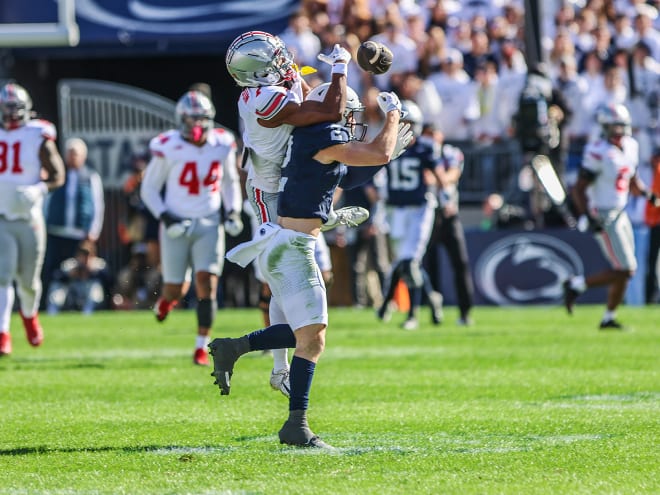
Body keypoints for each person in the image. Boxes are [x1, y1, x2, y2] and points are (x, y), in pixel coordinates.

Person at [209, 84, 412, 449]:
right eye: (349, 115)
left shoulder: (312, 140)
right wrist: (393, 113)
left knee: (307, 334)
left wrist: (382, 160)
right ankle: (295, 424)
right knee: (312, 337)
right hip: (292, 249)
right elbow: (376, 151)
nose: (352, 123)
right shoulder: (322, 138)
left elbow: (349, 175)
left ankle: (237, 350)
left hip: (287, 244)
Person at [225, 31, 368, 395]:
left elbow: (311, 97)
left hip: (287, 179)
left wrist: (311, 77)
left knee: (298, 274)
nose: (283, 61)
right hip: (268, 188)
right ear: (258, 73)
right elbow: (328, 110)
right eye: (274, 59)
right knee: (281, 283)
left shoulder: (277, 81)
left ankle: (278, 368)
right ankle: (278, 370)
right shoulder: (262, 98)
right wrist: (340, 68)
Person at [140, 90, 243, 365]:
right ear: (181, 120)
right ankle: (166, 300)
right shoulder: (167, 145)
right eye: (192, 120)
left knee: (207, 283)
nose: (197, 126)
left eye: (202, 119)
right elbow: (149, 188)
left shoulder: (222, 143)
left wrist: (232, 210)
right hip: (177, 220)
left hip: (209, 220)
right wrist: (165, 216)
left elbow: (230, 181)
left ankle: (201, 345)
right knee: (177, 288)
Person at [563, 103, 660, 329]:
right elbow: (579, 188)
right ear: (605, 127)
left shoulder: (631, 147)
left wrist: (649, 195)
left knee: (625, 270)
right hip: (603, 212)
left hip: (621, 211)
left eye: (621, 126)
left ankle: (607, 316)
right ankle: (577, 285)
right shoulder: (597, 151)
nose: (619, 132)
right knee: (626, 269)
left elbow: (632, 181)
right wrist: (586, 215)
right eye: (614, 127)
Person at [0, 82, 65, 356]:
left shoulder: (38, 134)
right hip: (2, 217)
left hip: (29, 218)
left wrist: (38, 189)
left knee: (28, 281)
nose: (13, 115)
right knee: (2, 276)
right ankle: (3, 333)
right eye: (8, 109)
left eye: (17, 109)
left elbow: (57, 175)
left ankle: (29, 315)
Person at [376, 101, 444, 330]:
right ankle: (433, 299)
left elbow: (439, 175)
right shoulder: (388, 145)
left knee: (409, 261)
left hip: (418, 208)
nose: (405, 127)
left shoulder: (425, 147)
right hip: (395, 210)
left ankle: (412, 314)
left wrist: (446, 196)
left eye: (409, 123)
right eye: (402, 122)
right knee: (403, 262)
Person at [42, 137, 105, 308]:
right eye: (70, 154)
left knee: (80, 271)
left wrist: (93, 232)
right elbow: (45, 201)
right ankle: (47, 306)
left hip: (79, 234)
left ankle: (80, 306)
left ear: (83, 156)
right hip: (56, 231)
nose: (72, 157)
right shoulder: (57, 174)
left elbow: (98, 206)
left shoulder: (90, 176)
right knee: (52, 271)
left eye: (76, 154)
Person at [423, 124, 475, 326]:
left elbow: (451, 177)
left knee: (460, 263)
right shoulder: (421, 153)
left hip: (449, 214)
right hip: (428, 214)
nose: (432, 139)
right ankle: (433, 311)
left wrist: (436, 175)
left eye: (434, 134)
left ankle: (465, 312)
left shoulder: (451, 153)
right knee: (430, 266)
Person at [46, 240, 110, 314]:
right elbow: (55, 277)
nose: (85, 258)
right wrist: (70, 275)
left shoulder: (98, 265)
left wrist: (93, 273)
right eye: (82, 254)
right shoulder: (71, 264)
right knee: (56, 286)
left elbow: (109, 280)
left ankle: (87, 313)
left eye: (87, 254)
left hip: (89, 294)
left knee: (95, 286)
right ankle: (52, 312)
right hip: (73, 292)